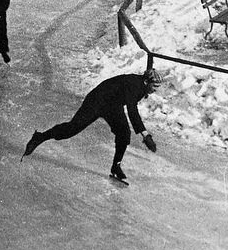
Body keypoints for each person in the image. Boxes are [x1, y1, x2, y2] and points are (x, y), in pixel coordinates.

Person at [22, 69, 164, 182]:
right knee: (71, 129)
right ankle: (40, 137)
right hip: (97, 101)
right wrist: (145, 134)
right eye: (155, 86)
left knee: (124, 133)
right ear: (147, 81)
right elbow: (132, 111)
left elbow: (130, 108)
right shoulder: (133, 84)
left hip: (113, 106)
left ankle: (116, 166)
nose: (155, 90)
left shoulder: (141, 87)